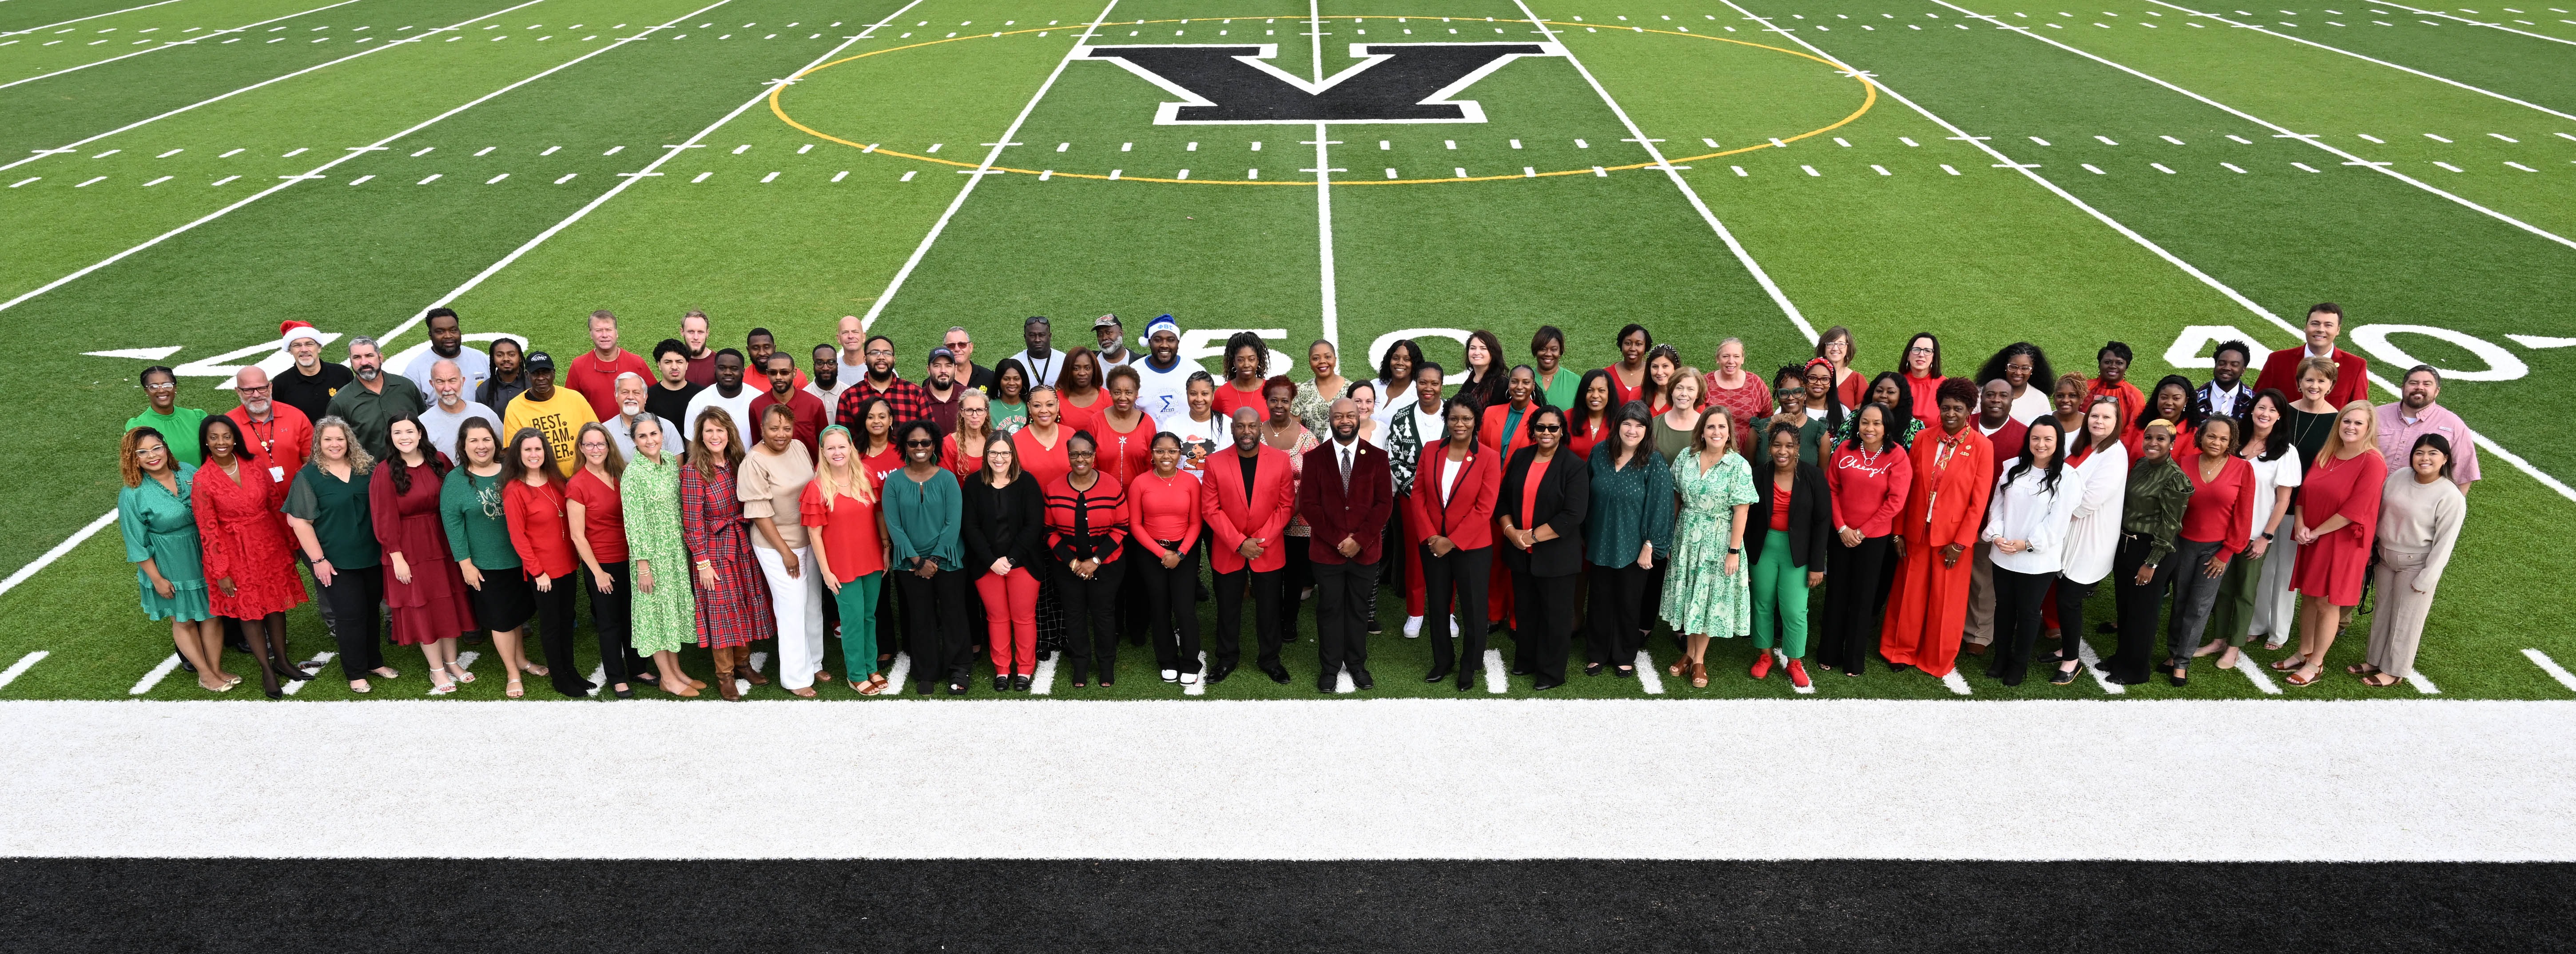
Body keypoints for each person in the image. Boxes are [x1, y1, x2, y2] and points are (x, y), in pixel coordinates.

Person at [191, 416, 313, 697]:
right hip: (235, 552)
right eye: (214, 438)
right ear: (205, 442)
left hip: (269, 543)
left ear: (235, 439)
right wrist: (220, 571)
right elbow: (207, 530)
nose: (221, 442)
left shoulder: (255, 465)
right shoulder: (202, 480)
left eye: (226, 436)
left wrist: (290, 543)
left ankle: (282, 661)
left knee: (275, 606)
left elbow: (274, 504)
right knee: (251, 612)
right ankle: (266, 669)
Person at [1878, 379, 1993, 678]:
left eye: (1958, 408)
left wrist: (1961, 543)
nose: (1951, 414)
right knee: (1909, 596)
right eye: (1946, 408)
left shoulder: (1983, 447)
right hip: (1916, 532)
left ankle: (1936, 658)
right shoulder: (1923, 439)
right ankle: (1900, 650)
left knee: (1946, 603)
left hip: (1953, 540)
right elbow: (1907, 488)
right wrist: (1898, 531)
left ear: (1970, 410)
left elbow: (1978, 503)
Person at [2278, 401, 2387, 687]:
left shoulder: (2373, 462)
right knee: (2310, 596)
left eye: (2358, 423)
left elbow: (2356, 510)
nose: (2350, 427)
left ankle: (2316, 663)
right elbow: (2304, 493)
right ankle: (2304, 651)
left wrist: (2316, 532)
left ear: (2369, 428)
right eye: (2346, 421)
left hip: (2343, 542)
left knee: (2328, 602)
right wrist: (2301, 524)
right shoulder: (2328, 452)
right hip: (2313, 534)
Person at [286, 417, 399, 692]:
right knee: (349, 616)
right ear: (318, 443)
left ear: (349, 440)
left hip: (372, 556)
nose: (335, 444)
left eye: (340, 439)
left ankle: (374, 661)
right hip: (335, 560)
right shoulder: (309, 476)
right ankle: (356, 672)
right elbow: (299, 521)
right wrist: (318, 561)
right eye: (328, 440)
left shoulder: (367, 469)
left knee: (371, 611)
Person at [119, 428, 234, 692]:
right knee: (183, 620)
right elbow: (136, 543)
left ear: (166, 447)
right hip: (169, 561)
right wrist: (157, 579)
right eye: (143, 452)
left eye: (156, 448)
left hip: (204, 552)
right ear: (133, 458)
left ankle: (216, 668)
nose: (152, 456)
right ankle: (205, 674)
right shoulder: (133, 493)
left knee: (212, 614)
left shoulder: (189, 471)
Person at [372, 416, 478, 694]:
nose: (404, 437)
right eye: (398, 432)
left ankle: (453, 662)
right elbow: (384, 517)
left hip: (443, 541)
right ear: (391, 437)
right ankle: (437, 669)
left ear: (420, 433)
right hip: (409, 547)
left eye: (410, 431)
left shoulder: (440, 460)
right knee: (423, 605)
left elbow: (457, 496)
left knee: (448, 602)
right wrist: (396, 557)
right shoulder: (385, 471)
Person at [1975, 417, 2081, 687]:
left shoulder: (2067, 477)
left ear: (2058, 444)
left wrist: (2025, 544)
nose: (2041, 444)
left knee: (2029, 611)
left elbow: (2057, 522)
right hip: (2003, 551)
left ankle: (2019, 665)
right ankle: (2001, 658)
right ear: (2028, 440)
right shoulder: (2011, 467)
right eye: (2036, 438)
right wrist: (1997, 536)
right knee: (2004, 607)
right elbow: (1998, 507)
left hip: (2037, 559)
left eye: (2048, 439)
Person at [441, 418, 542, 699]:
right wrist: (465, 564)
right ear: (463, 445)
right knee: (501, 621)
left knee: (518, 615)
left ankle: (522, 660)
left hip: (520, 559)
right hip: (485, 565)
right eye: (473, 441)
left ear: (495, 442)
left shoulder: (512, 470)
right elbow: (453, 524)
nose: (481, 446)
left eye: (486, 440)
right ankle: (512, 672)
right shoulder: (456, 480)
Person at [2198, 390, 2302, 663]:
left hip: (2255, 533)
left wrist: (2266, 536)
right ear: (2252, 410)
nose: (2265, 414)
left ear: (2280, 416)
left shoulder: (2286, 453)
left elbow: (2283, 501)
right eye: (2260, 407)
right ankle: (2218, 639)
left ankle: (2234, 647)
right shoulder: (2234, 443)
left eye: (2272, 410)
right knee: (2220, 587)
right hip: (2222, 529)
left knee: (2245, 591)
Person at [2359, 434, 2465, 688]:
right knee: (2383, 611)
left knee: (2406, 618)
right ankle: (2374, 660)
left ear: (2445, 459)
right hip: (2385, 556)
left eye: (2433, 454)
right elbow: (2379, 512)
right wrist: (2372, 546)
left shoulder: (2450, 496)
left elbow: (2445, 542)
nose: (2425, 458)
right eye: (2420, 453)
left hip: (2416, 563)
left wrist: (2428, 577)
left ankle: (2395, 670)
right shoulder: (2399, 477)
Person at [681, 409, 774, 699]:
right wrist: (702, 563)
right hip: (714, 551)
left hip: (742, 545)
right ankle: (725, 676)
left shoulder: (738, 463)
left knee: (744, 604)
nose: (715, 436)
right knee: (723, 611)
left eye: (720, 430)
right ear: (701, 436)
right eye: (709, 431)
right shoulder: (693, 471)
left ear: (729, 433)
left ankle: (743, 664)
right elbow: (692, 522)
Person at [1302, 398, 1393, 692]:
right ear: (1331, 419)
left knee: (1358, 610)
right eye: (1339, 416)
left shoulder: (1378, 457)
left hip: (1365, 552)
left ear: (1359, 418)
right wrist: (1340, 540)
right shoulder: (1315, 458)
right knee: (1329, 609)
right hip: (1327, 552)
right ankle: (1329, 668)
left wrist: (1360, 540)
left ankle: (1356, 665)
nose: (1345, 421)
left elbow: (1383, 504)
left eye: (1350, 416)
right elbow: (1309, 506)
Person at [1497, 405, 1590, 691]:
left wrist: (1532, 538)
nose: (1546, 433)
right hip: (1520, 552)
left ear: (1562, 431)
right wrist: (1512, 532)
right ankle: (1526, 662)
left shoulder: (1573, 466)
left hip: (1556, 557)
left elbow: (1573, 515)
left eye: (1553, 428)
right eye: (1541, 427)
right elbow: (1502, 502)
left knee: (1555, 618)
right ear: (1533, 431)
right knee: (1525, 611)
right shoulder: (1521, 457)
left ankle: (1551, 673)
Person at [1409, 400, 1499, 688]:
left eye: (1467, 419)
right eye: (1454, 418)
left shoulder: (1488, 457)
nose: (1460, 424)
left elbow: (1485, 509)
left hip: (1472, 548)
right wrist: (1431, 536)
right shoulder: (1431, 451)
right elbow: (1418, 496)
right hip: (1433, 544)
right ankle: (1443, 661)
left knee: (1473, 609)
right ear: (1446, 420)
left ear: (1476, 422)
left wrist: (1452, 541)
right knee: (1437, 604)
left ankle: (1470, 665)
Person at [1202, 406, 1295, 684]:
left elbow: (1286, 506)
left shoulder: (1280, 461)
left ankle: (1270, 659)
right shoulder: (1215, 462)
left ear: (1260, 428)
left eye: (1252, 426)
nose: (1246, 432)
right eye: (1240, 426)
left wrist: (1259, 542)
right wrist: (1240, 543)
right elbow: (1210, 509)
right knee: (1228, 607)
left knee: (1269, 608)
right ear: (1232, 429)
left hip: (1267, 549)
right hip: (1229, 549)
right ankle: (1226, 658)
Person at [1817, 403, 1910, 678]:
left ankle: (1854, 660)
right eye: (1865, 422)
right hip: (1841, 535)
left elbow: (1896, 501)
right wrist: (1843, 527)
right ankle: (1829, 653)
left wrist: (1863, 531)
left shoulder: (1897, 457)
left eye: (1877, 424)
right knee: (1836, 593)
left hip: (1873, 539)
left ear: (1887, 427)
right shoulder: (1845, 450)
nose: (1869, 429)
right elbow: (1831, 489)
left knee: (1862, 597)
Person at [1662, 406, 1753, 688]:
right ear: (1702, 431)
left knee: (1708, 598)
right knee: (1691, 595)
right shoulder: (1685, 458)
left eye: (1722, 428)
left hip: (1719, 540)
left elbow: (1742, 511)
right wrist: (1669, 537)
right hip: (1686, 538)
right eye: (1711, 427)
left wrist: (1734, 551)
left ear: (1730, 433)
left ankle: (1699, 660)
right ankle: (1688, 655)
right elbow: (1676, 497)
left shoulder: (1738, 465)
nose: (1716, 432)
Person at [741, 403, 826, 696]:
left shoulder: (800, 447)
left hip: (809, 538)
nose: (781, 434)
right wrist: (786, 552)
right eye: (774, 428)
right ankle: (795, 677)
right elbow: (759, 514)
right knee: (791, 607)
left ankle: (814, 662)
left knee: (812, 602)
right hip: (778, 545)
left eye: (787, 428)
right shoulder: (754, 461)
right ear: (762, 429)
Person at [2042, 398, 2129, 684]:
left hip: (2091, 539)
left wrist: (2053, 504)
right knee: (2060, 592)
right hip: (2067, 535)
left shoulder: (2116, 454)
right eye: (2095, 416)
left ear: (2117, 423)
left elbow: (2086, 503)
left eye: (2106, 418)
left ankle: (2072, 660)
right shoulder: (2078, 445)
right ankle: (2066, 648)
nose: (2099, 422)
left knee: (2069, 600)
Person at [1584, 403, 1674, 680]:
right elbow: (1586, 493)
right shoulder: (1599, 453)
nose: (1632, 430)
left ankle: (1624, 654)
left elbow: (1661, 505)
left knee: (1628, 601)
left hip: (1635, 546)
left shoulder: (1653, 461)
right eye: (1627, 423)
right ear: (1618, 425)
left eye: (1639, 425)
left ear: (1647, 430)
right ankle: (1597, 653)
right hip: (1600, 539)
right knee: (1599, 600)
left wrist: (1651, 544)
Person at [1743, 418, 1833, 688]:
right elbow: (1746, 518)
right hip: (1764, 549)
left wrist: (1818, 565)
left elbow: (1822, 522)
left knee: (1795, 610)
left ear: (1798, 448)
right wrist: (1746, 558)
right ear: (1769, 447)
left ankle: (1794, 661)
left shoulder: (1813, 476)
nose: (1783, 451)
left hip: (1799, 553)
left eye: (1790, 446)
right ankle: (1765, 655)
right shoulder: (1758, 474)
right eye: (1777, 445)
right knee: (1762, 603)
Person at [501, 427, 589, 697]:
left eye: (538, 449)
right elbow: (518, 537)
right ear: (518, 453)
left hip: (568, 565)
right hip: (543, 573)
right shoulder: (515, 490)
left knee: (566, 619)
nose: (533, 454)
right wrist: (537, 571)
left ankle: (570, 670)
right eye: (527, 449)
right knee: (551, 625)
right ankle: (560, 678)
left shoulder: (556, 481)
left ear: (545, 451)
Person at [2103, 421, 2191, 686]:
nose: (2153, 443)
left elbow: (2171, 525)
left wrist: (2151, 563)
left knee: (2143, 612)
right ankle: (2122, 659)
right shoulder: (2142, 465)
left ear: (2172, 444)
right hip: (2127, 544)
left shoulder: (2175, 477)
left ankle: (2136, 670)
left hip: (2152, 548)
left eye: (2161, 439)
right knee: (2127, 607)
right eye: (2149, 437)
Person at [564, 422, 649, 698]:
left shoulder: (620, 474)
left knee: (632, 617)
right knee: (610, 622)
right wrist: (598, 573)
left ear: (609, 445)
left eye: (600, 443)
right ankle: (617, 676)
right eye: (589, 444)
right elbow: (578, 537)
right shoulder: (577, 485)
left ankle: (638, 668)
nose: (595, 449)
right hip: (602, 563)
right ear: (581, 448)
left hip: (632, 557)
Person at [885, 421, 970, 695]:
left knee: (954, 614)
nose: (920, 448)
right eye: (913, 443)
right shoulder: (894, 482)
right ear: (904, 447)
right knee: (920, 618)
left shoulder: (947, 479)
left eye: (925, 443)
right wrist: (916, 561)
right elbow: (894, 525)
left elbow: (953, 522)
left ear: (934, 445)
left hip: (947, 560)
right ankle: (926, 670)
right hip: (910, 564)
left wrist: (932, 559)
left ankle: (959, 667)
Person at [801, 425, 887, 695]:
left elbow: (879, 515)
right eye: (831, 448)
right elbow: (814, 535)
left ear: (851, 448)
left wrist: (886, 547)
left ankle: (871, 666)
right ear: (823, 453)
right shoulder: (817, 489)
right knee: (852, 619)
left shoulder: (866, 476)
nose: (837, 452)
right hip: (842, 564)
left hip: (872, 557)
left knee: (870, 616)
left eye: (842, 446)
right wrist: (826, 572)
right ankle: (856, 674)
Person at [1045, 431, 1129, 689]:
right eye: (1074, 454)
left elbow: (1122, 528)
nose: (1080, 459)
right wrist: (1073, 562)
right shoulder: (1054, 488)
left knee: (1104, 615)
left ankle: (1106, 666)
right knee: (1074, 615)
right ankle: (1080, 665)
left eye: (1086, 453)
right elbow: (1049, 531)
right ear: (1068, 456)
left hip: (1107, 565)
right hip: (1067, 566)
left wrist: (1095, 560)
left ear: (1094, 455)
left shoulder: (1112, 486)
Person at [962, 433, 1044, 690]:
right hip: (987, 565)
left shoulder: (1027, 482)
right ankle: (1001, 669)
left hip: (1022, 563)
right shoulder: (974, 484)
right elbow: (970, 527)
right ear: (986, 455)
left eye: (1005, 453)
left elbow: (1034, 525)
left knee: (1023, 617)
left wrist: (1010, 559)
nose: (999, 459)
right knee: (996, 617)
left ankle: (1025, 669)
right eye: (994, 453)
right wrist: (991, 561)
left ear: (1013, 455)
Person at [1960, 377, 2030, 657]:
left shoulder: (2023, 435)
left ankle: (1979, 632)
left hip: (1994, 521)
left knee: (1982, 580)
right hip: (1955, 516)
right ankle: (1949, 625)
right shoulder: (1964, 424)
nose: (1996, 400)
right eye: (1991, 395)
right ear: (1982, 397)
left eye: (2003, 396)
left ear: (2012, 401)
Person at [1128, 433, 1206, 684]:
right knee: (1159, 607)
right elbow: (1135, 525)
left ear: (1180, 454)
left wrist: (1180, 554)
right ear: (1151, 454)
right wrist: (1162, 553)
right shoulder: (1140, 483)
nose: (1166, 456)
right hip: (1152, 552)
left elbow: (1196, 522)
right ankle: (1168, 660)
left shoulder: (1192, 483)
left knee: (1185, 609)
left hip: (1184, 551)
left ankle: (1191, 662)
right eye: (1160, 451)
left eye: (1172, 451)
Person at [1385, 362, 1448, 635]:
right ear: (1416, 384)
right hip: (1412, 500)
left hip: (1450, 500)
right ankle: (1415, 612)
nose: (1428, 388)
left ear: (1442, 385)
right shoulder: (1402, 417)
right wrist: (1418, 493)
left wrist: (1445, 492)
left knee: (1448, 554)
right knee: (1416, 555)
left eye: (1434, 383)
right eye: (1423, 383)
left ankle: (1447, 612)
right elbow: (1394, 458)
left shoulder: (1454, 414)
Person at [1260, 376, 1320, 640]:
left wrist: (1287, 515)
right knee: (1270, 572)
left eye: (1285, 400)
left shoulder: (1308, 440)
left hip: (1298, 518)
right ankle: (1270, 617)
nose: (1280, 405)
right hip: (1262, 518)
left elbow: (1310, 483)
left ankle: (1290, 619)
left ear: (1292, 402)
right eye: (1274, 400)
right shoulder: (1255, 434)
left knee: (1295, 572)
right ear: (1267, 401)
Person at [2376, 366, 2480, 492]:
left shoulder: (2454, 425)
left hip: (2417, 502)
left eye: (2427, 384)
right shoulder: (2376, 415)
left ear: (2437, 391)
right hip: (2368, 496)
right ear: (2403, 388)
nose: (2419, 387)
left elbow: (2463, 475)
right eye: (2413, 383)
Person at [2253, 302, 2372, 408]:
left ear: (2338, 330)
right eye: (2315, 324)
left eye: (2328, 325)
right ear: (2306, 327)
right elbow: (2258, 401)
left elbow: (2359, 411)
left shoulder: (2355, 366)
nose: (2321, 329)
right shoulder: (2278, 360)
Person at [499, 351, 597, 477]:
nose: (541, 378)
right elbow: (514, 452)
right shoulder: (515, 407)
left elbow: (595, 436)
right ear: (527, 375)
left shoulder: (575, 398)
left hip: (580, 478)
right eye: (535, 373)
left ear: (554, 374)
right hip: (543, 482)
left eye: (546, 372)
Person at [227, 367, 314, 485]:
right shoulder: (228, 424)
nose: (257, 395)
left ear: (271, 387)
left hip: (296, 498)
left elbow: (312, 461)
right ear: (238, 391)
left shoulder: (296, 416)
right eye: (249, 390)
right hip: (254, 502)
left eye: (262, 388)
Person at [835, 334, 932, 433]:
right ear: (865, 359)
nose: (881, 357)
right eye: (875, 353)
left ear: (894, 359)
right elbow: (842, 440)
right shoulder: (849, 397)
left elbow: (930, 435)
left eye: (887, 353)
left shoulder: (915, 393)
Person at [558, 311, 645, 421]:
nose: (605, 335)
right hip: (595, 435)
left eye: (609, 330)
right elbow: (570, 404)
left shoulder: (637, 363)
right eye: (599, 331)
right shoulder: (579, 366)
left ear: (616, 333)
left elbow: (652, 397)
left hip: (633, 433)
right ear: (591, 334)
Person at [748, 353, 827, 461]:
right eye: (773, 373)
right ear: (767, 374)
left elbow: (824, 443)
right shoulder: (756, 406)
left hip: (810, 474)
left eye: (784, 372)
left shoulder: (814, 404)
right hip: (772, 474)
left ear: (794, 373)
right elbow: (758, 445)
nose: (778, 377)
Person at [1702, 338, 1774, 457]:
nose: (1731, 361)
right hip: (1712, 450)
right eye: (1726, 356)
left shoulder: (1756, 383)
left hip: (1750, 452)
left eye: (1736, 356)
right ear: (1717, 359)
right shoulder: (1705, 383)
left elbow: (1767, 419)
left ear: (1743, 359)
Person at [273, 321, 353, 425]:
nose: (304, 349)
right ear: (290, 351)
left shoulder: (342, 373)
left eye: (309, 344)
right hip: (302, 440)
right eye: (297, 345)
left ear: (319, 348)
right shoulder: (280, 384)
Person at [127, 366, 208, 465]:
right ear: (146, 391)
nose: (161, 391)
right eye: (154, 387)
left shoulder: (197, 417)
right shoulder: (138, 426)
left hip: (201, 480)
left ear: (175, 388)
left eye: (167, 385)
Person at [418, 359, 501, 457]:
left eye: (452, 381)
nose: (447, 388)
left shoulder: (484, 412)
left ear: (463, 381)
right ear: (432, 384)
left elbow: (503, 450)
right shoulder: (422, 423)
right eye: (440, 382)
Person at [402, 308, 491, 398]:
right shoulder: (415, 369)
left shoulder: (480, 358)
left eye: (453, 330)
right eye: (440, 332)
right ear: (430, 335)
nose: (448, 336)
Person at [1093, 365, 1157, 488]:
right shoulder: (1096, 422)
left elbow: (1152, 465)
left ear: (1137, 393)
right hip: (1103, 494)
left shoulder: (1147, 423)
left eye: (1129, 392)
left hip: (1139, 494)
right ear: (1110, 393)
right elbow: (1091, 462)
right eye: (1117, 392)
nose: (1123, 398)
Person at [680, 349, 759, 441]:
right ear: (715, 369)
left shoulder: (757, 399)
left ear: (743, 371)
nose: (728, 373)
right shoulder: (698, 402)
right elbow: (692, 446)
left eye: (734, 369)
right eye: (722, 368)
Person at [2283, 356, 2342, 474]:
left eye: (2321, 381)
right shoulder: (2283, 411)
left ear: (2331, 385)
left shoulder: (2337, 421)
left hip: (2309, 486)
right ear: (2300, 382)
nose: (2314, 386)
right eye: (2309, 380)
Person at [602, 372, 676, 464]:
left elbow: (677, 467)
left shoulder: (667, 427)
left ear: (646, 397)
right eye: (625, 392)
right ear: (616, 397)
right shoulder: (605, 431)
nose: (631, 397)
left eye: (636, 393)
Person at [1129, 317, 1193, 421]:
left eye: (1171, 340)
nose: (1164, 345)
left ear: (1178, 342)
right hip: (1149, 437)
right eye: (1158, 340)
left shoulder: (1194, 370)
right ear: (1150, 342)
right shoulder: (1133, 372)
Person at [1841, 372, 1922, 450]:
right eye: (1879, 391)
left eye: (1891, 392)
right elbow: (1838, 451)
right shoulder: (1855, 417)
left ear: (1901, 397)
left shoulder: (1913, 426)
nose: (1883, 396)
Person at [1764, 367, 1827, 467]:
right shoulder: (1759, 429)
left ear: (1805, 395)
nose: (1791, 398)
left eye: (1797, 392)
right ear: (1778, 395)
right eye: (1784, 393)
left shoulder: (1819, 432)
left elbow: (1822, 476)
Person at [1480, 365, 1542, 460]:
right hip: (1490, 472)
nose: (1520, 387)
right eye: (1514, 382)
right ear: (1509, 384)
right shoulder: (1490, 413)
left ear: (1533, 386)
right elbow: (1480, 449)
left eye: (1526, 383)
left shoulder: (1541, 418)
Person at [1171, 372, 1229, 471]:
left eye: (1205, 394)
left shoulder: (1228, 425)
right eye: (1193, 394)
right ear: (1187, 394)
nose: (1199, 399)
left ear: (1213, 395)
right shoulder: (1171, 425)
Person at [2135, 375, 2200, 460]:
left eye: (2176, 398)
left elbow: (2188, 469)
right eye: (2164, 397)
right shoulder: (2140, 425)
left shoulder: (2193, 436)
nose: (2169, 403)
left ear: (2186, 401)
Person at [1291, 339, 1350, 433]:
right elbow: (1295, 432)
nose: (1322, 361)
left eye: (1328, 357)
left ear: (1335, 360)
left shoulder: (1351, 389)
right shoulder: (1300, 391)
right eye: (1316, 358)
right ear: (1310, 363)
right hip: (1312, 448)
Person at [2197, 340, 2255, 429]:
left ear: (2243, 371)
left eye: (2234, 365)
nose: (2227, 368)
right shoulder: (2195, 397)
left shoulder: (2254, 401)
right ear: (2216, 365)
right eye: (2222, 363)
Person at [647, 339, 706, 426]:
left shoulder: (701, 395)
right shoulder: (648, 397)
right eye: (668, 362)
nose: (674, 367)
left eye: (679, 362)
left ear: (687, 365)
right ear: (659, 365)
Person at [1213, 333, 1272, 421]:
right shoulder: (1221, 394)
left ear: (1258, 361)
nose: (1247, 364)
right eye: (1241, 360)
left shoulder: (1271, 390)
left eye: (1252, 359)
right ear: (1234, 362)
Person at [1651, 369, 1703, 465]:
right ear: (1671, 391)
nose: (1684, 394)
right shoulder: (1654, 425)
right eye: (1679, 388)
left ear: (1698, 394)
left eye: (1691, 389)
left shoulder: (1707, 426)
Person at [943, 390, 996, 478]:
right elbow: (946, 482)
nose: (975, 416)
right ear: (962, 412)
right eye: (969, 410)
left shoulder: (995, 441)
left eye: (980, 410)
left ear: (986, 413)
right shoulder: (948, 444)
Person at [1456, 330, 1509, 413]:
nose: (1477, 353)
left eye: (1483, 349)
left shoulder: (1501, 383)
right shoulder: (1472, 378)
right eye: (1473, 348)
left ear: (1493, 353)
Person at [1567, 369, 1614, 460]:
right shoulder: (1566, 418)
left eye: (1601, 390)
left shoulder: (1621, 422)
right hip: (1571, 473)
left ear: (1610, 393)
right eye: (1590, 390)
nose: (1595, 395)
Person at [743, 327, 809, 392]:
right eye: (755, 348)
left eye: (767, 347)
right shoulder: (743, 379)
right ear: (748, 350)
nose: (762, 353)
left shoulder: (796, 376)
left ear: (774, 348)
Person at [920, 347, 968, 434]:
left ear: (955, 369)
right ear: (929, 370)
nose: (943, 371)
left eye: (948, 366)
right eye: (937, 366)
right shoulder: (918, 398)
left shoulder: (969, 396)